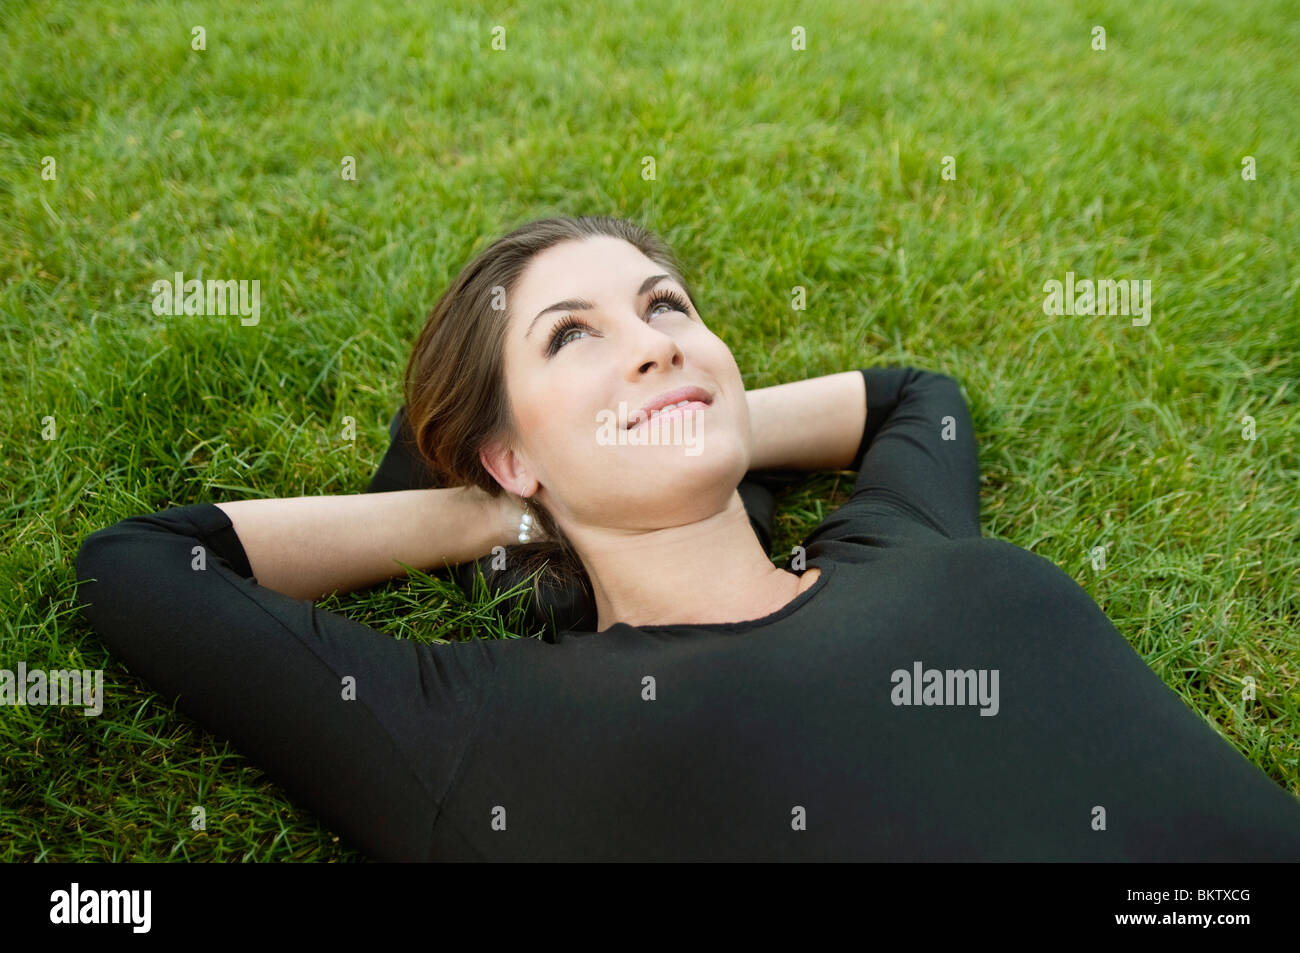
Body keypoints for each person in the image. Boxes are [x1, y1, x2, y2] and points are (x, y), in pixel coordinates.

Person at [75, 215, 1300, 861]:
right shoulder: (478, 726)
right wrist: (520, 500)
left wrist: (667, 416)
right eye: (573, 336)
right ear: (506, 450)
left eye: (665, 308)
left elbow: (914, 394)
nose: (655, 337)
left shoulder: (900, 543)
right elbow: (144, 563)